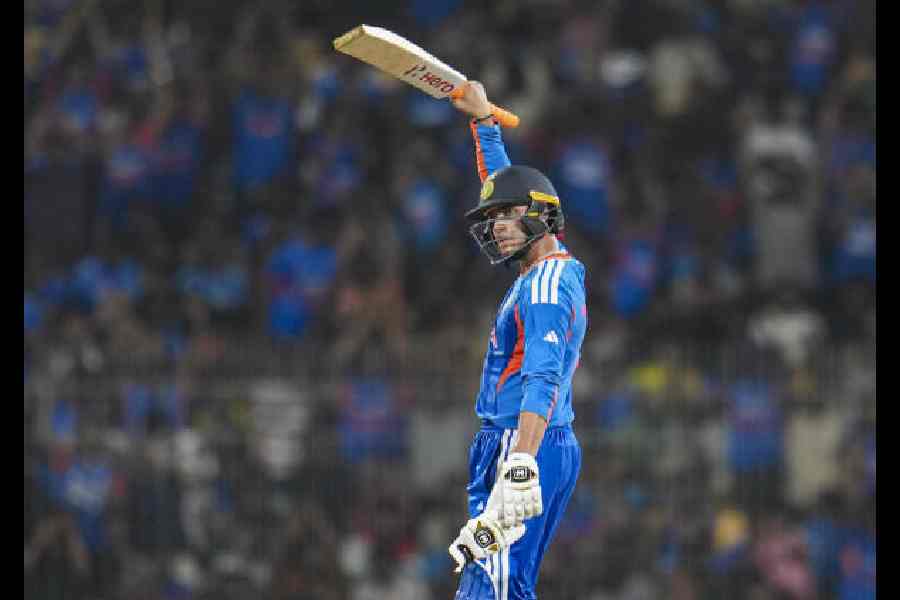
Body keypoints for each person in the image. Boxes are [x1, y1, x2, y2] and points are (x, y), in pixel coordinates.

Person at [447, 82, 588, 600]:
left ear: (541, 216)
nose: (497, 228)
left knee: (494, 586)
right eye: (491, 220)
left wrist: (522, 461)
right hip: (521, 440)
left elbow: (542, 375)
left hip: (523, 439)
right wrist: (484, 124)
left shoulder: (547, 285)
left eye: (506, 217)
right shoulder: (543, 271)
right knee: (498, 585)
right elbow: (505, 187)